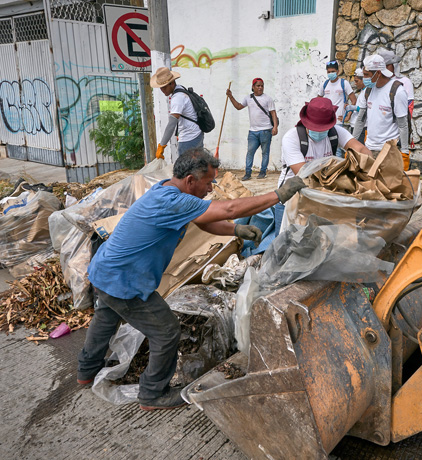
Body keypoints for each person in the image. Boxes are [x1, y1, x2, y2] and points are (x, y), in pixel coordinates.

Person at [77, 148, 306, 411]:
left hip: (105, 271)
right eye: (208, 182)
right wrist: (278, 195)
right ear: (190, 180)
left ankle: (87, 371)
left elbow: (203, 221)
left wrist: (235, 229)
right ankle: (153, 394)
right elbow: (228, 207)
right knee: (166, 332)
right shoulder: (174, 201)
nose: (211, 189)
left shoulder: (165, 190)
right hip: (123, 281)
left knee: (105, 320)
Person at [275, 96, 371, 232]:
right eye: (315, 128)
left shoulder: (335, 133)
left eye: (322, 128)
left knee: (319, 245)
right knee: (283, 246)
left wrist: (369, 166)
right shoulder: (292, 138)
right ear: (306, 122)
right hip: (292, 201)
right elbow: (304, 175)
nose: (319, 132)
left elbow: (361, 150)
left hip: (322, 200)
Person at [353, 54, 410, 169]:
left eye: (367, 75)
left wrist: (404, 152)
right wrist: (352, 144)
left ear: (378, 73)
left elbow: (403, 124)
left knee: (387, 186)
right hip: (368, 149)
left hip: (388, 151)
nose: (365, 79)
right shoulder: (368, 91)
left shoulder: (397, 91)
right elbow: (360, 120)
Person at [226, 78, 279, 180]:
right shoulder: (248, 98)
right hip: (253, 131)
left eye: (262, 86)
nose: (260, 88)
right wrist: (230, 97)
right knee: (250, 152)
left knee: (265, 152)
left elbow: (273, 113)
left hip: (266, 130)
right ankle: (248, 173)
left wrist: (275, 127)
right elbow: (238, 107)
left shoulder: (268, 99)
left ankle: (263, 172)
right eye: (258, 86)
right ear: (253, 87)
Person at [150, 67, 205, 158]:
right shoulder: (181, 89)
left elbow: (172, 124)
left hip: (189, 138)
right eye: (160, 88)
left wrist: (162, 145)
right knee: (197, 167)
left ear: (171, 83)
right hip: (197, 134)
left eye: (164, 87)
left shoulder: (177, 98)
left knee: (186, 169)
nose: (162, 90)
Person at [379, 48, 415, 148]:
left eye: (387, 65)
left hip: (396, 133)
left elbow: (409, 108)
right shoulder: (378, 82)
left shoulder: (404, 81)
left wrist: (402, 132)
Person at [318, 60, 356, 128]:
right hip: (326, 121)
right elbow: (317, 101)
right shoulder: (324, 84)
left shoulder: (344, 83)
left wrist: (348, 116)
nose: (330, 73)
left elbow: (354, 101)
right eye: (328, 72)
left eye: (333, 71)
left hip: (339, 122)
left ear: (338, 71)